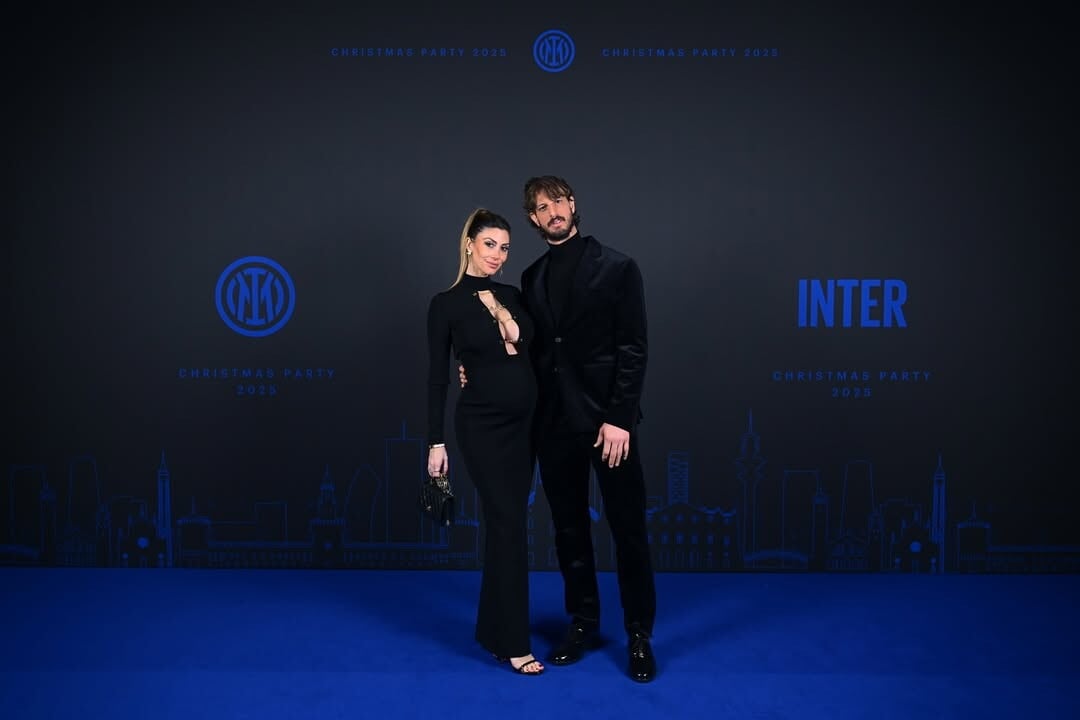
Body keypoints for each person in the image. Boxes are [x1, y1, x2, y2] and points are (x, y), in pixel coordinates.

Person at [464, 177, 658, 681]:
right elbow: (525, 348)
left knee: (628, 530)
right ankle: (583, 623)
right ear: (533, 219)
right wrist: (475, 369)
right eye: (540, 207)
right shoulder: (532, 277)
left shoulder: (618, 267)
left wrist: (619, 418)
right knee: (569, 531)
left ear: (573, 205)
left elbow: (633, 348)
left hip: (608, 424)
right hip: (553, 424)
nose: (552, 211)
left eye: (557, 201)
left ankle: (639, 634)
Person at [425, 208, 544, 675]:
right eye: (490, 244)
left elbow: (530, 348)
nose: (498, 255)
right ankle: (514, 642)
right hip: (482, 427)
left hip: (524, 426)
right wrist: (435, 443)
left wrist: (502, 313)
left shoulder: (513, 295)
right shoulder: (445, 304)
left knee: (506, 526)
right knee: (508, 522)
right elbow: (437, 378)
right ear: (470, 243)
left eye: (505, 247)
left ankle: (494, 632)